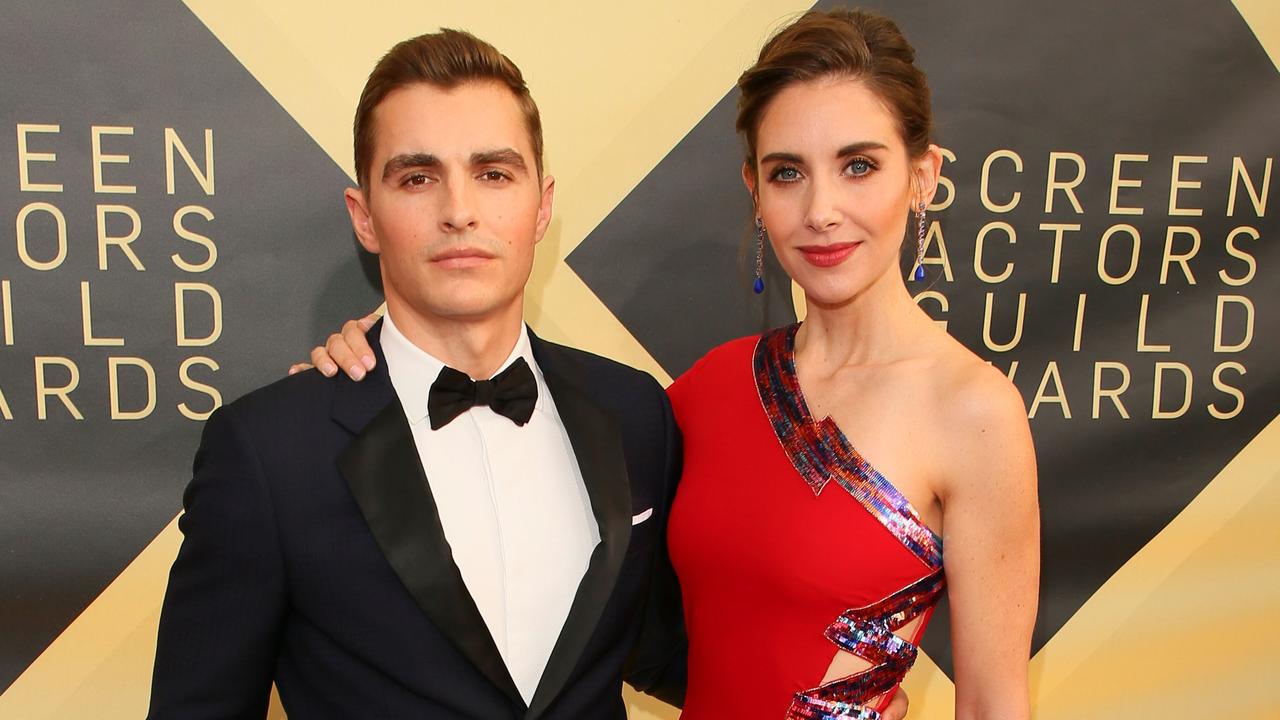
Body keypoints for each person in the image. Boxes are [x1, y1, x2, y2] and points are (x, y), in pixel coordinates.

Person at [308, 8, 1037, 720]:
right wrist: (381, 356)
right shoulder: (703, 392)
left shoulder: (973, 413)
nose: (822, 209)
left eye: (858, 166)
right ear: (755, 190)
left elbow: (993, 704)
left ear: (923, 175)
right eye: (788, 173)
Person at [148, 29, 689, 719]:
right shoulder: (268, 452)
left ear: (542, 204)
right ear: (364, 216)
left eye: (494, 173)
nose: (459, 211)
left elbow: (670, 651)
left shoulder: (635, 411)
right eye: (417, 177)